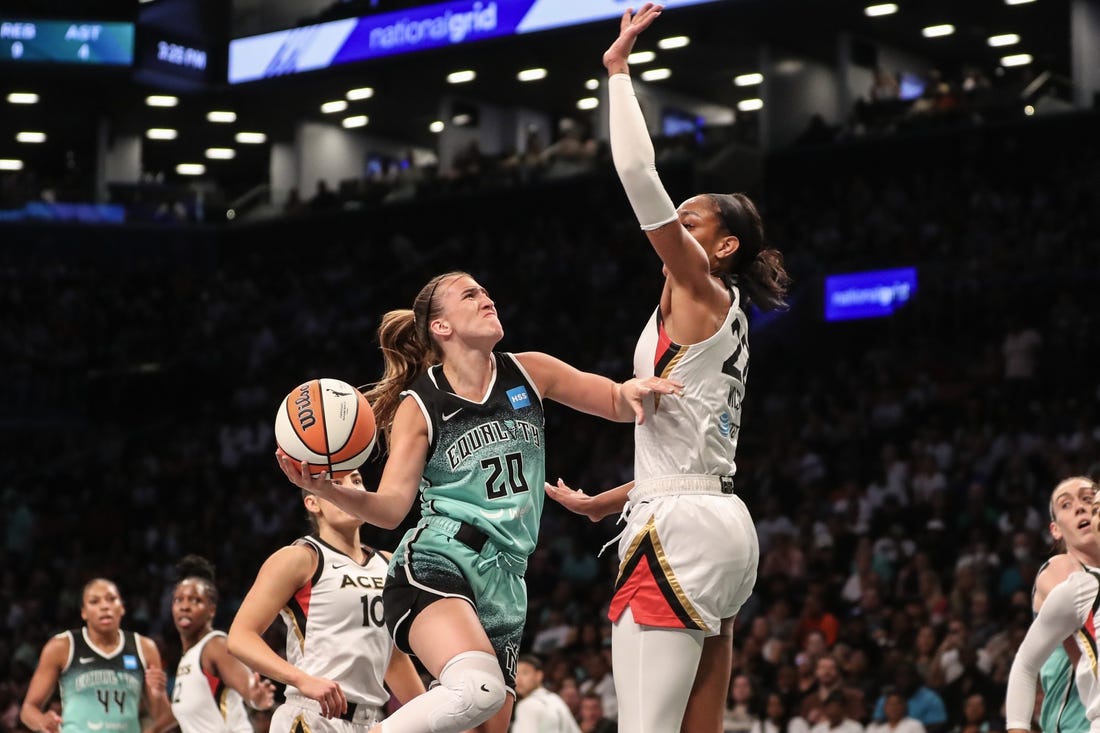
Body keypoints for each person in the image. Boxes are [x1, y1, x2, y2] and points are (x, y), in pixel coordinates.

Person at [278, 270, 684, 733]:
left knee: (485, 721)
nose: (486, 298)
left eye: (485, 291)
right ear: (441, 326)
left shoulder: (530, 371)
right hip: (438, 560)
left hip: (508, 578)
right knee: (478, 689)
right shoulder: (420, 403)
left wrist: (630, 390)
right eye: (469, 295)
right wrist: (328, 488)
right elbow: (390, 509)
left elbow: (613, 399)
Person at [546, 5, 790, 733]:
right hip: (717, 521)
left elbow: (635, 172)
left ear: (723, 248)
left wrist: (618, 73)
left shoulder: (702, 288)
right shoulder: (723, 317)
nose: (674, 232)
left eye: (690, 224)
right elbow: (689, 455)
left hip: (679, 529)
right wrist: (608, 501)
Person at [227, 468, 425, 732]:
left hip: (368, 723)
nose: (351, 489)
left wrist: (431, 719)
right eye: (337, 482)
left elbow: (393, 658)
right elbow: (240, 637)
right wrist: (301, 680)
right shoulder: (301, 558)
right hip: (312, 716)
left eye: (357, 480)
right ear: (313, 502)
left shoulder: (388, 563)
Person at [19, 577, 174, 733]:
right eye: (94, 601)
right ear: (83, 612)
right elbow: (28, 708)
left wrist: (159, 693)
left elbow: (163, 719)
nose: (104, 606)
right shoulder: (62, 646)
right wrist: (41, 721)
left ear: (122, 607)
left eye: (111, 599)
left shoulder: (145, 648)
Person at [1006, 484, 1100, 733]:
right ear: (1056, 530)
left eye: (1089, 500)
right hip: (1074, 723)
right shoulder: (1065, 571)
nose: (1081, 507)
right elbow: (1084, 653)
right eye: (1066, 504)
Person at [168, 554, 276, 732]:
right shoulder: (189, 656)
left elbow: (247, 686)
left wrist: (255, 696)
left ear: (211, 609)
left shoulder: (215, 645)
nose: (184, 606)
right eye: (179, 599)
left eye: (195, 600)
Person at [511, 654, 581, 733]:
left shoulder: (528, 705)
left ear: (539, 675)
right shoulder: (555, 699)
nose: (518, 679)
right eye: (516, 674)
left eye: (525, 673)